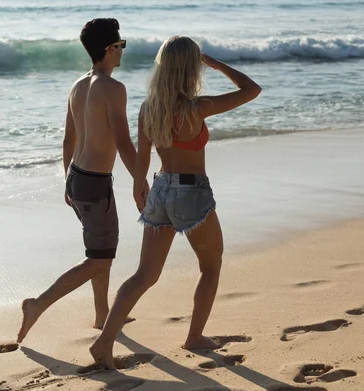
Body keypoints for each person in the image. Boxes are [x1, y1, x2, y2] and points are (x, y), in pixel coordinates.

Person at [89, 35, 262, 369]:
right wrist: (217, 63)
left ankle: (104, 340)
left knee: (144, 275)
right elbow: (251, 89)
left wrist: (139, 188)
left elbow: (142, 160)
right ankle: (195, 337)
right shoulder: (198, 107)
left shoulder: (148, 109)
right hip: (191, 192)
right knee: (211, 265)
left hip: (160, 188)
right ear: (190, 69)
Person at [17, 18, 147, 343]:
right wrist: (140, 180)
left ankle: (102, 314)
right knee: (99, 258)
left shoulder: (77, 86)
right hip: (95, 183)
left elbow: (67, 140)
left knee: (99, 250)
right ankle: (38, 304)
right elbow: (122, 141)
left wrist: (66, 182)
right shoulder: (113, 89)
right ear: (109, 49)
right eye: (121, 45)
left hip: (77, 177)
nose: (122, 51)